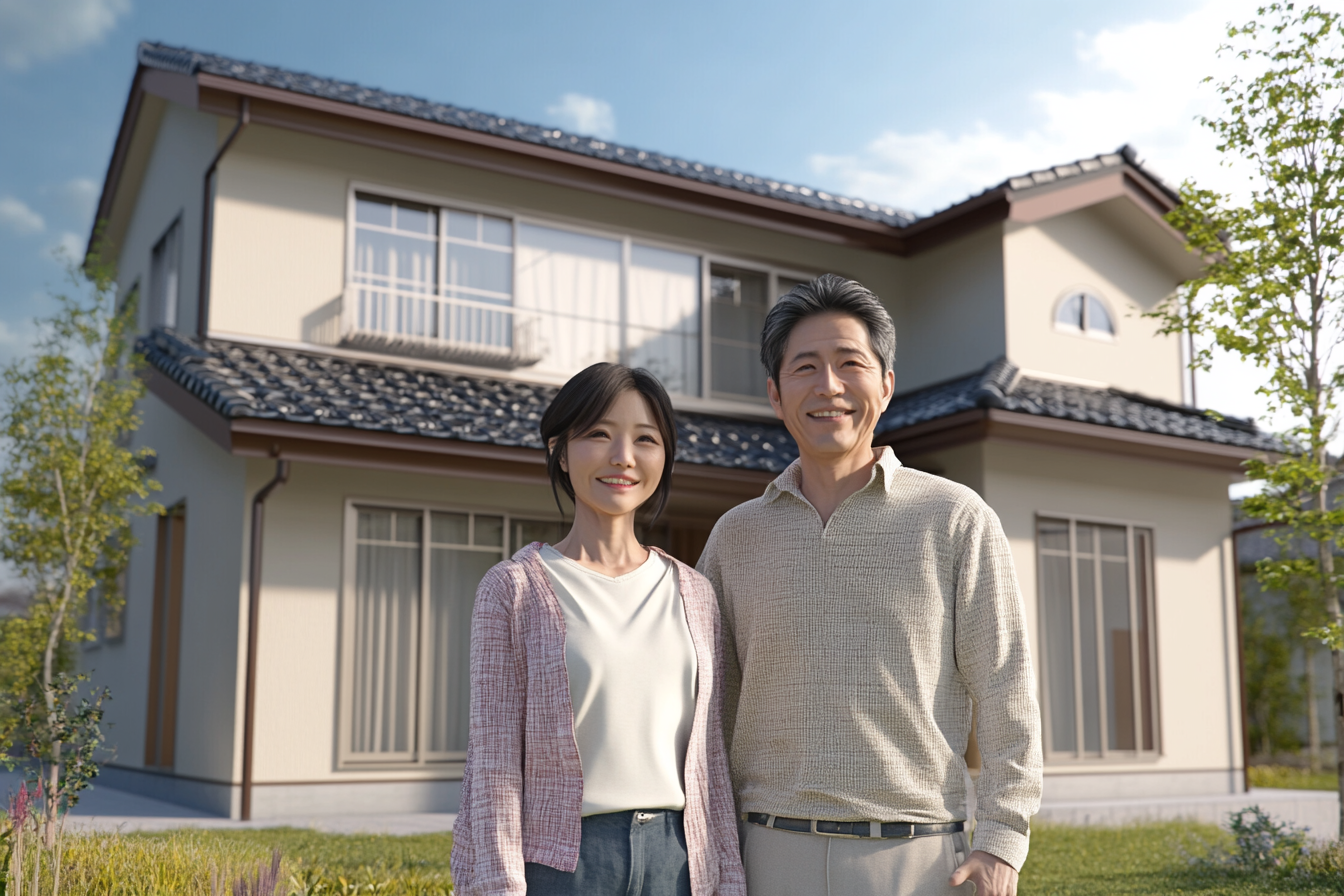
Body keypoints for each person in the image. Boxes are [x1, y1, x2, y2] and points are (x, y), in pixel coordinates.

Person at [697, 275, 1043, 896]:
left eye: (849, 363)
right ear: (776, 395)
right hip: (765, 856)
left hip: (919, 856)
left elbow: (1005, 686)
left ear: (884, 385)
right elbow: (708, 707)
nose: (828, 386)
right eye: (805, 367)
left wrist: (1001, 840)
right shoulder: (735, 537)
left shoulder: (955, 518)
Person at [450, 363, 746, 896]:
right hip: (563, 867)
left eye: (645, 439)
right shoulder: (513, 590)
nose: (623, 457)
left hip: (679, 862)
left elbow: (711, 763)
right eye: (598, 435)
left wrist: (727, 879)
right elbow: (494, 770)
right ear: (560, 451)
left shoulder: (696, 593)